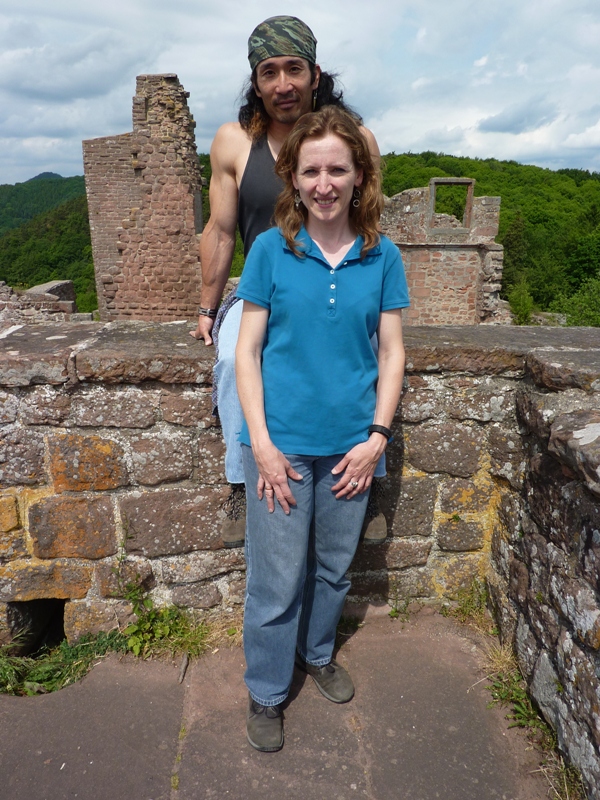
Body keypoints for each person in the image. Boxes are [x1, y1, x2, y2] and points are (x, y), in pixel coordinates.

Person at [235, 106, 409, 752]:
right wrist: (261, 444)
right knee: (277, 579)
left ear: (359, 176)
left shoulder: (381, 255)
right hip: (279, 446)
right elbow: (246, 351)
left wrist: (376, 439)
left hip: (352, 449)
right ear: (294, 177)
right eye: (312, 170)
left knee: (334, 569)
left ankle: (316, 653)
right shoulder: (270, 251)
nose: (325, 183)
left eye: (338, 168)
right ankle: (267, 689)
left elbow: (391, 352)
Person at [190, 15, 388, 547]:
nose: (283, 84)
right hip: (262, 293)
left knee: (373, 353)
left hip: (335, 282)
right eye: (269, 72)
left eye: (294, 69)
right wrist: (209, 308)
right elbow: (221, 228)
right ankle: (243, 478)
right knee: (234, 359)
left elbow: (368, 220)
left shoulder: (355, 139)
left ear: (315, 73)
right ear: (255, 82)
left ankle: (368, 479)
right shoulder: (235, 142)